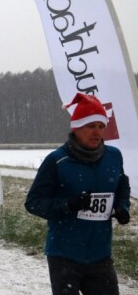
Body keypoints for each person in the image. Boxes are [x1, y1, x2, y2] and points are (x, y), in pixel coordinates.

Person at [24, 93, 131, 295]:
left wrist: (122, 207)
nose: (97, 132)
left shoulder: (114, 157)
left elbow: (121, 186)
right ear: (76, 127)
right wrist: (69, 205)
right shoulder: (56, 160)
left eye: (101, 126)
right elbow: (33, 202)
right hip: (64, 255)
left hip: (100, 255)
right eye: (91, 126)